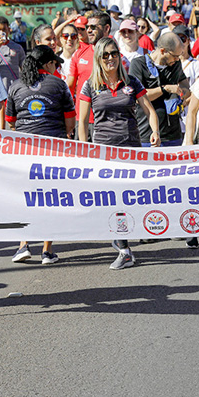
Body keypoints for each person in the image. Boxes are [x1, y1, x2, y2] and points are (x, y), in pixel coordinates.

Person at [78, 37, 159, 269]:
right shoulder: (90, 85)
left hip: (131, 149)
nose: (110, 58)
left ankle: (121, 238)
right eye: (105, 55)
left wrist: (155, 131)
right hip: (104, 152)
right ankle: (124, 249)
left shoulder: (131, 82)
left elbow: (149, 110)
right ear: (98, 59)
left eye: (113, 53)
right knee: (114, 199)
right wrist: (85, 150)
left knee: (129, 197)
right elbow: (82, 121)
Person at [6, 45, 75, 265]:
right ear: (47, 64)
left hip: (24, 152)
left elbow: (10, 122)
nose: (56, 68)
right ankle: (47, 250)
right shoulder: (58, 84)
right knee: (50, 199)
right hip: (53, 150)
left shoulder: (16, 86)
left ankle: (23, 245)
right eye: (55, 63)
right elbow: (70, 122)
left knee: (26, 198)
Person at [129, 32, 190, 147]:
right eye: (175, 56)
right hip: (147, 134)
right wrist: (165, 89)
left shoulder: (175, 64)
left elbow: (185, 85)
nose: (178, 60)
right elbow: (138, 97)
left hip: (173, 135)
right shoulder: (138, 64)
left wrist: (183, 93)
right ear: (162, 51)